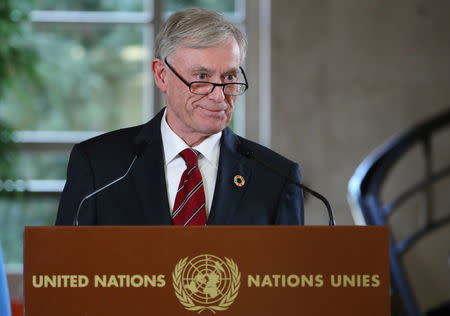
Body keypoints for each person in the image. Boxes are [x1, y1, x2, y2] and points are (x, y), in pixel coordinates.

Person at [55, 8, 304, 226]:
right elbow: (64, 271)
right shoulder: (99, 166)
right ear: (161, 75)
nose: (219, 97)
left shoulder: (277, 178)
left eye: (229, 78)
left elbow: (290, 276)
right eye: (202, 77)